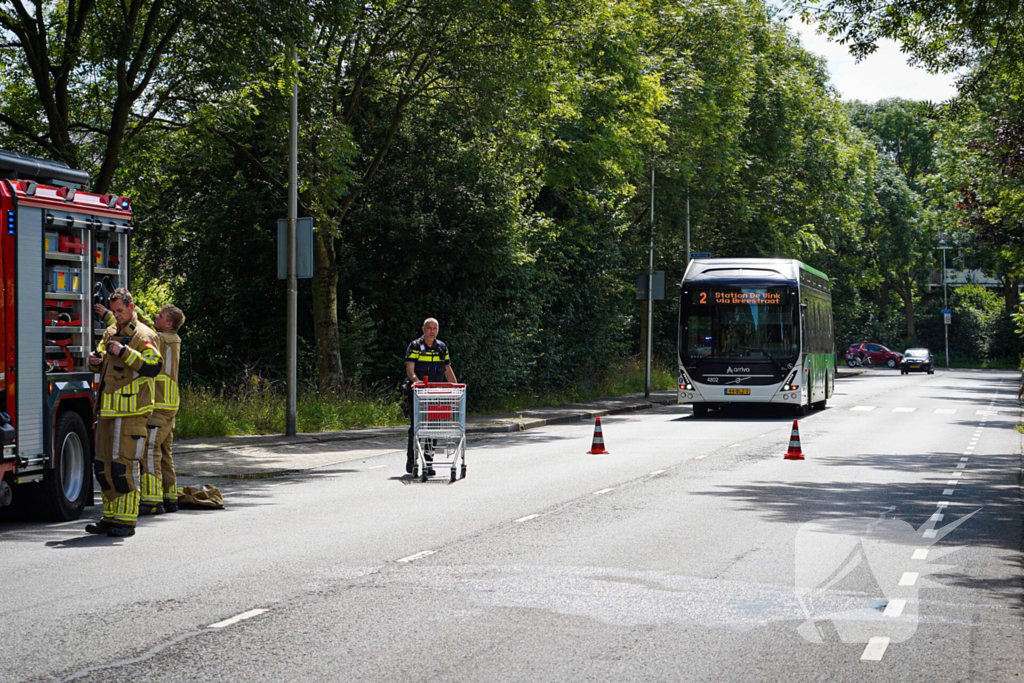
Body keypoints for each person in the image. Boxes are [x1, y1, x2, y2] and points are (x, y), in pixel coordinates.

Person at [85, 289, 162, 538]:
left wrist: (124, 352)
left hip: (132, 413)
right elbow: (102, 361)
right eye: (114, 311)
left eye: (120, 311)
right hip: (107, 411)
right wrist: (94, 361)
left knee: (121, 467)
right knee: (102, 467)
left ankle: (126, 521)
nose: (116, 315)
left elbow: (154, 366)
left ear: (131, 307)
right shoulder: (109, 333)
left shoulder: (144, 335)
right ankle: (109, 517)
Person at [96, 303, 185, 514]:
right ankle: (169, 497)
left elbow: (136, 330)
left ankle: (152, 501)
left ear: (169, 323)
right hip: (170, 404)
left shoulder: (159, 339)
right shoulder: (174, 339)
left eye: (161, 316)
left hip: (160, 404)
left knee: (150, 452)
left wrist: (110, 316)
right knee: (164, 453)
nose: (156, 316)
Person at [404, 318, 457, 474]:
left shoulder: (442, 347)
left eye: (435, 328)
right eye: (429, 328)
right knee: (417, 426)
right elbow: (410, 368)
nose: (432, 331)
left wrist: (456, 388)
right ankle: (412, 459)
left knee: (434, 426)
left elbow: (447, 369)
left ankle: (429, 461)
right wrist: (416, 381)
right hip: (419, 393)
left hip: (436, 393)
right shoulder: (414, 346)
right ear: (423, 329)